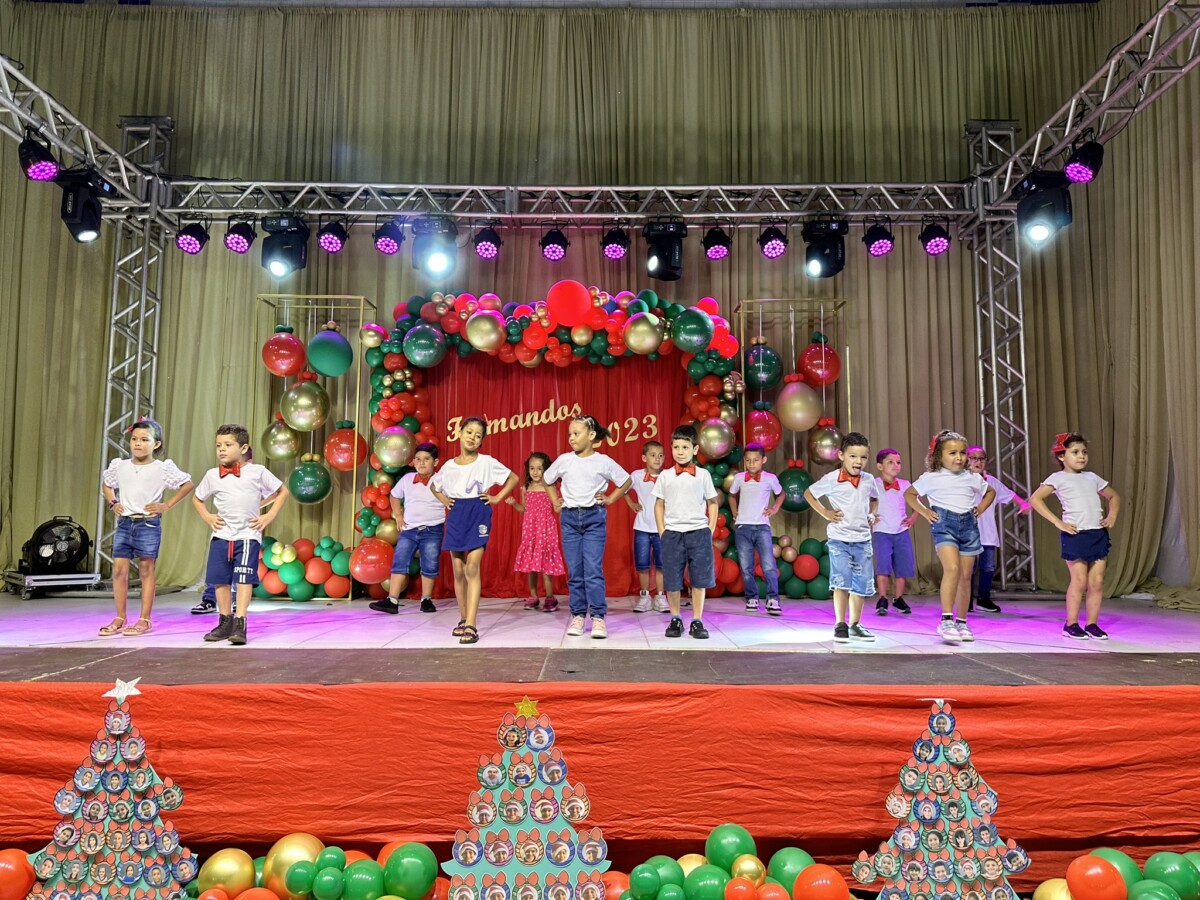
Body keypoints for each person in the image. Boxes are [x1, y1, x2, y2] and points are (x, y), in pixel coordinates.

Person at [191, 423, 288, 645]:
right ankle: (225, 621)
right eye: (218, 445)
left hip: (247, 535)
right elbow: (197, 498)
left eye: (228, 445)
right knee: (220, 580)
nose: (221, 449)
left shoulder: (257, 471)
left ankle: (240, 622)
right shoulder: (212, 475)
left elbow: (282, 491)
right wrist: (208, 517)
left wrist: (268, 516)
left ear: (243, 448)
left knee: (243, 578)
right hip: (221, 535)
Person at [99, 418, 194, 636]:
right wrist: (113, 502)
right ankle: (120, 617)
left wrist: (166, 505)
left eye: (144, 440)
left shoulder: (162, 468)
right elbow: (107, 484)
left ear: (156, 444)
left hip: (148, 523)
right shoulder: (120, 466)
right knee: (119, 570)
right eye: (134, 439)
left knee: (146, 569)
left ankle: (145, 619)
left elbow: (187, 484)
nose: (138, 444)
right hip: (125, 522)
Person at [430, 417, 519, 644]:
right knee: (458, 568)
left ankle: (471, 624)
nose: (472, 437)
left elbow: (513, 478)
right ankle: (462, 618)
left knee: (472, 566)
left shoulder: (486, 462)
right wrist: (444, 499)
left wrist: (497, 497)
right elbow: (433, 485)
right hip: (457, 513)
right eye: (469, 432)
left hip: (478, 511)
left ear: (481, 441)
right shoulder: (449, 466)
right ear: (460, 433)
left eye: (478, 435)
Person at [544, 414, 632, 640]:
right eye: (570, 434)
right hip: (570, 518)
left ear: (591, 435)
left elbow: (626, 480)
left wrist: (611, 498)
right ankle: (578, 615)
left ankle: (598, 617)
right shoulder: (564, 460)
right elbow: (547, 479)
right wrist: (555, 500)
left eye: (576, 433)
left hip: (594, 518)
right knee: (575, 571)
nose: (571, 438)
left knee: (592, 570)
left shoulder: (603, 461)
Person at [905, 430, 996, 644]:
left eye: (962, 453)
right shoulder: (931, 477)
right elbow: (909, 494)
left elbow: (990, 492)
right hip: (944, 525)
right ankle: (946, 620)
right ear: (939, 455)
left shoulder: (972, 477)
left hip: (969, 527)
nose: (959, 458)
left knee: (965, 576)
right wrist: (925, 512)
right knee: (952, 569)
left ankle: (962, 622)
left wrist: (980, 508)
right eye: (952, 453)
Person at [1029, 432, 1121, 640]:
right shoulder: (1057, 478)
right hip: (1076, 534)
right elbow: (1035, 499)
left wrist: (1111, 516)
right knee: (1079, 580)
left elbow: (1114, 497)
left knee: (1097, 581)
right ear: (1062, 456)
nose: (1081, 456)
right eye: (1075, 452)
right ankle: (1071, 624)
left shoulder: (1092, 477)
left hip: (1097, 533)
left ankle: (1092, 624)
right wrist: (1058, 522)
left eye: (1084, 452)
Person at [804, 432, 881, 643]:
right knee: (841, 580)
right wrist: (826, 513)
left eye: (863, 457)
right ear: (841, 455)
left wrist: (872, 514)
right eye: (853, 456)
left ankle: (855, 624)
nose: (858, 461)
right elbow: (809, 494)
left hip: (863, 539)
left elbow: (874, 499)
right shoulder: (831, 479)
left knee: (861, 584)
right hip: (839, 539)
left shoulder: (869, 480)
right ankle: (840, 624)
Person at [653, 424, 718, 640]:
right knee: (672, 579)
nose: (680, 452)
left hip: (698, 532)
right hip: (672, 533)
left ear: (695, 449)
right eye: (676, 447)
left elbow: (713, 503)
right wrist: (662, 531)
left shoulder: (703, 475)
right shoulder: (665, 476)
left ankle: (697, 620)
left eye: (685, 447)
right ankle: (675, 618)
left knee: (699, 578)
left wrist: (709, 529)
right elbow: (659, 504)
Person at [370, 441, 445, 615]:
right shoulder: (407, 479)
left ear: (435, 462)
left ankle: (426, 599)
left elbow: (450, 499)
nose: (421, 462)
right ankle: (392, 600)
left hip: (432, 529)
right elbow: (394, 496)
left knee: (430, 564)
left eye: (426, 459)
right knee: (400, 561)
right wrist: (398, 516)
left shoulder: (441, 480)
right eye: (418, 459)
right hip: (409, 530)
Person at [966, 445, 1032, 613]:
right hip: (967, 533)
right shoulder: (962, 480)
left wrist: (1023, 504)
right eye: (974, 458)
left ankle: (983, 599)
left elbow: (1010, 494)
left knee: (988, 567)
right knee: (968, 569)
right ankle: (965, 601)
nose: (978, 462)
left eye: (982, 458)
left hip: (987, 533)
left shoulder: (992, 482)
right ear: (967, 460)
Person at [728, 442, 784, 615]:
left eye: (755, 460)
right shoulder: (739, 478)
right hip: (743, 527)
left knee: (768, 565)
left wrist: (774, 508)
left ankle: (773, 599)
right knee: (746, 567)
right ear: (744, 461)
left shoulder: (770, 478)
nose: (751, 464)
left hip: (762, 527)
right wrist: (734, 512)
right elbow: (731, 495)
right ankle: (751, 597)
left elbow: (781, 494)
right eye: (748, 460)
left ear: (763, 460)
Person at [508, 451, 566, 611]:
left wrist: (561, 503)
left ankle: (550, 597)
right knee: (530, 563)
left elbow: (556, 508)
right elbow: (524, 509)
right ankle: (533, 596)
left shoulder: (550, 487)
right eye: (532, 468)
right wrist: (514, 504)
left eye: (539, 469)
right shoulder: (525, 488)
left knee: (546, 563)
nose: (535, 472)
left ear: (546, 470)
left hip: (546, 528)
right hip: (530, 529)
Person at [624, 440, 668, 613]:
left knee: (661, 564)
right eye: (653, 455)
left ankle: (660, 596)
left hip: (662, 528)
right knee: (642, 564)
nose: (657, 459)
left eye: (661, 455)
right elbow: (623, 488)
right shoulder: (636, 476)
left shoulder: (668, 476)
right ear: (644, 458)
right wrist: (631, 503)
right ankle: (644, 596)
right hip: (642, 527)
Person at [872, 447, 917, 616]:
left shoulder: (905, 485)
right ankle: (882, 598)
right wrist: (870, 515)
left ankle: (898, 598)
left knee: (902, 567)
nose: (895, 465)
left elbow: (917, 503)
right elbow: (864, 502)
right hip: (882, 531)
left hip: (901, 531)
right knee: (883, 566)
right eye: (890, 462)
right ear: (880, 466)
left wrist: (913, 518)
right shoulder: (874, 484)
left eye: (898, 462)